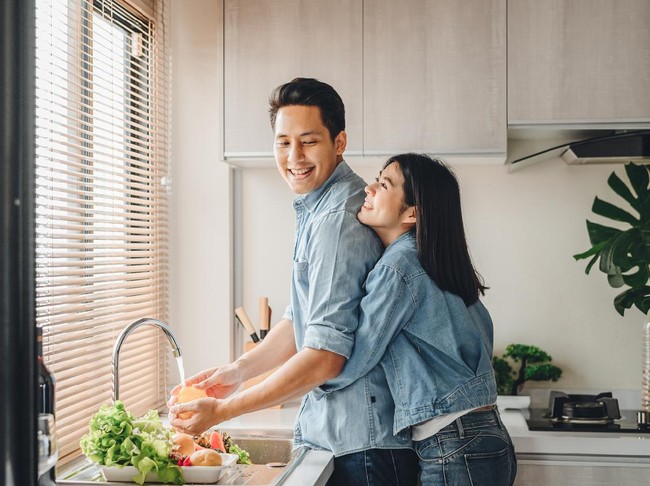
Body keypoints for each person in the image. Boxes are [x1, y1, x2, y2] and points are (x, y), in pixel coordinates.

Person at [169, 78, 418, 485]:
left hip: (364, 446)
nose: (294, 156)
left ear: (339, 142)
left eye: (308, 141)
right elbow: (301, 320)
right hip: (355, 441)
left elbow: (324, 355)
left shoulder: (337, 221)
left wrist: (223, 413)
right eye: (283, 142)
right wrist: (238, 371)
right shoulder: (320, 209)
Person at [315, 152, 517, 485]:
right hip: (485, 436)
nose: (369, 188)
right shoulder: (437, 263)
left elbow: (361, 354)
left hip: (454, 443)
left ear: (412, 212)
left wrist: (313, 381)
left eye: (383, 184)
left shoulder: (399, 267)